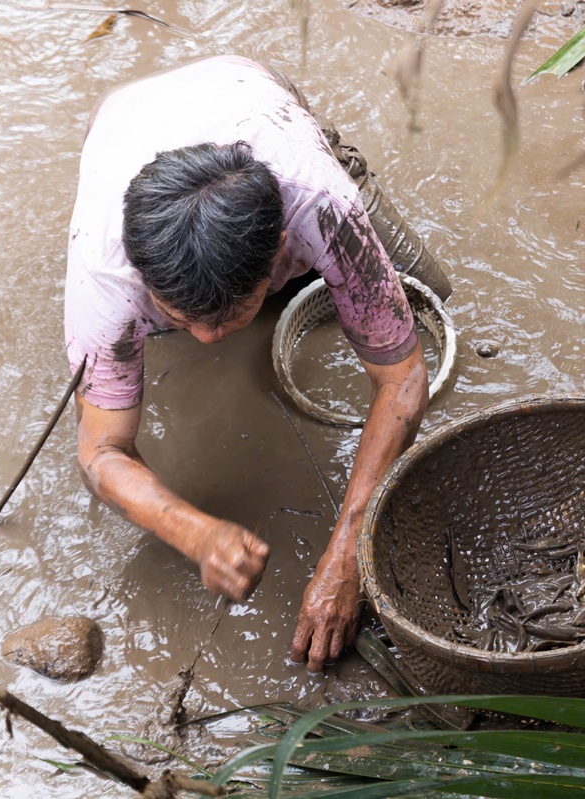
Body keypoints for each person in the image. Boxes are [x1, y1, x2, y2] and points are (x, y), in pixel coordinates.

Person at [63, 55, 429, 672]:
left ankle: (251, 289)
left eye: (226, 316)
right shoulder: (104, 275)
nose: (208, 341)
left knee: (427, 290)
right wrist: (194, 531)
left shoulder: (319, 206)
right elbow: (101, 454)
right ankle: (207, 304)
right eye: (180, 318)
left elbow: (403, 377)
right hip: (125, 119)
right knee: (179, 335)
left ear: (283, 249)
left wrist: (347, 557)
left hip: (254, 94)